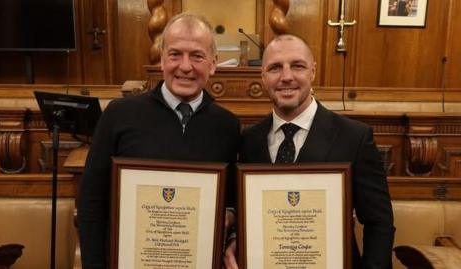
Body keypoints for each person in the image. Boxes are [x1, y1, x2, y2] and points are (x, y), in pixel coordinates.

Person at [77, 12, 240, 269]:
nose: (185, 66)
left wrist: (229, 217)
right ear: (162, 60)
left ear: (213, 63)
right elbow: (91, 202)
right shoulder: (119, 114)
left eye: (197, 56)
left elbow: (231, 200)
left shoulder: (227, 125)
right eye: (175, 54)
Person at [223, 35, 395, 268]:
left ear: (312, 71)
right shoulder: (249, 140)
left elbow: (379, 222)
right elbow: (243, 209)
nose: (286, 77)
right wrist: (234, 240)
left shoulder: (354, 137)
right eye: (275, 68)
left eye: (297, 66)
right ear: (263, 77)